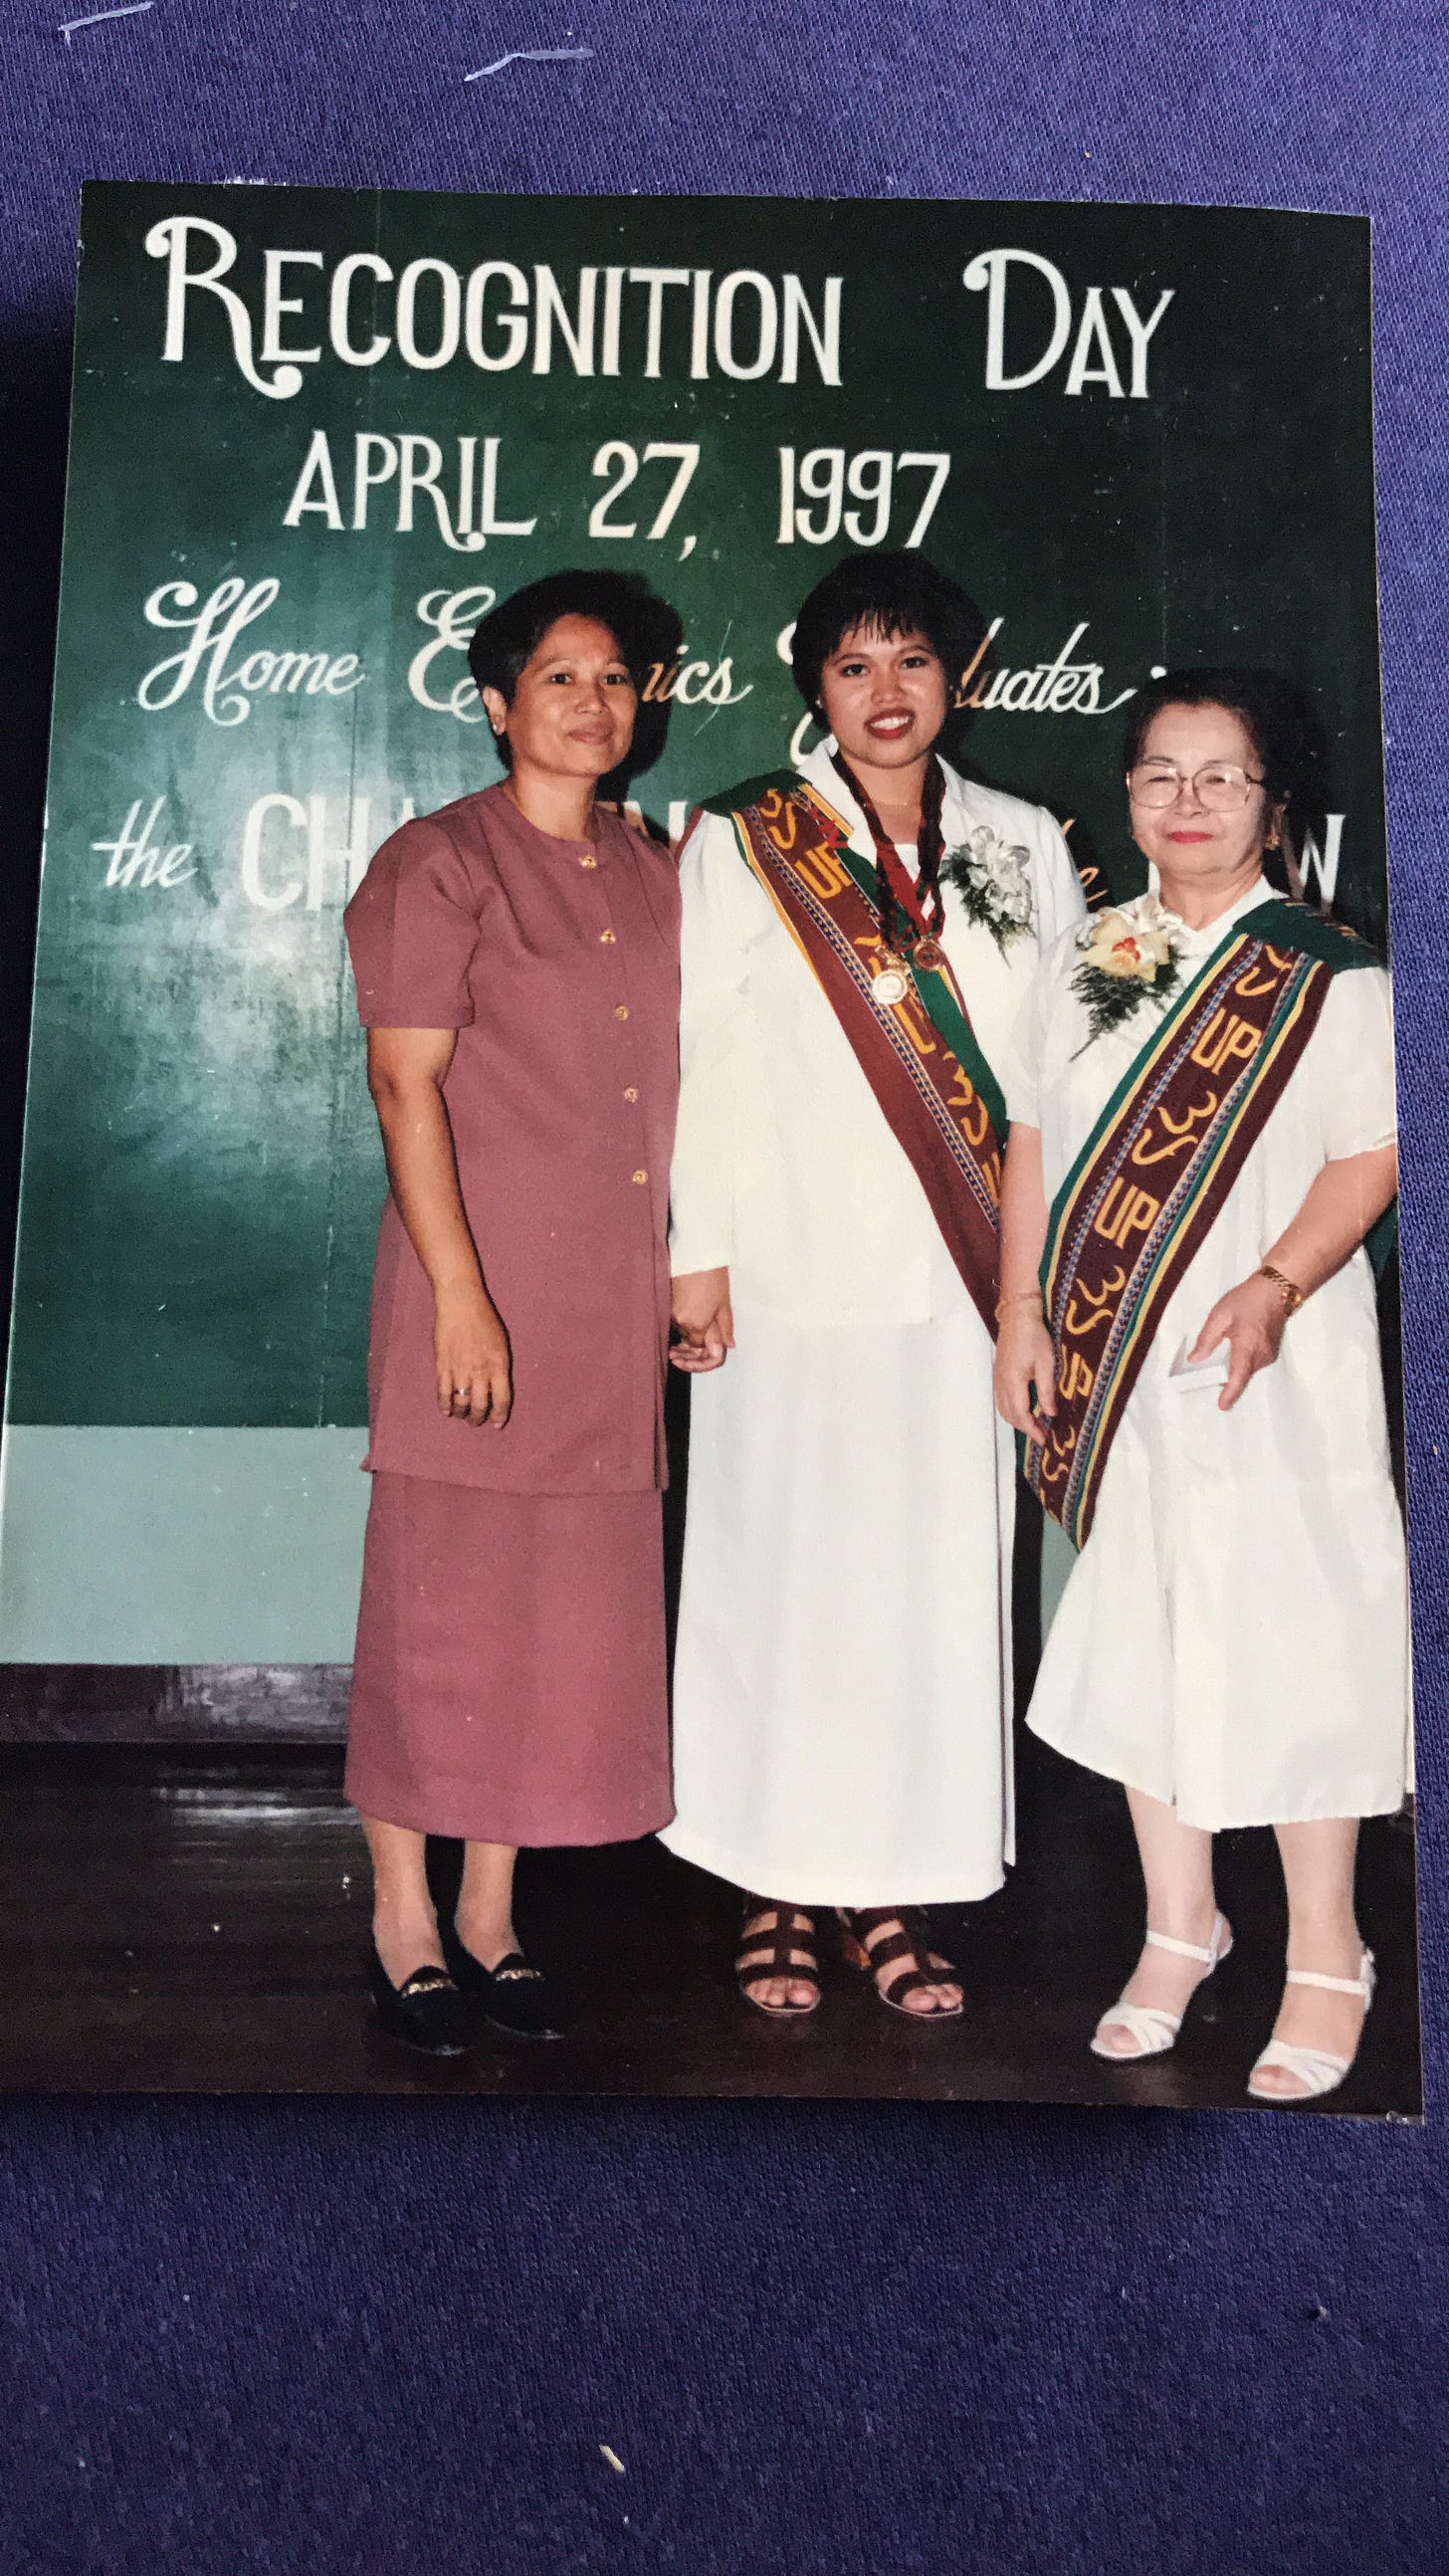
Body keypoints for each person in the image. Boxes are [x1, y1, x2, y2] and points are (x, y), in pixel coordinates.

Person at [665, 550, 1087, 2019]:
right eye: (855, 667)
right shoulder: (743, 840)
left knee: (928, 1591)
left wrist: (1030, 1290)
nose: (885, 693)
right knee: (776, 1578)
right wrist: (696, 1252)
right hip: (784, 1278)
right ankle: (771, 1883)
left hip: (962, 1284)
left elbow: (1050, 1077)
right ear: (816, 686)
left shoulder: (1027, 840)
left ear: (955, 676)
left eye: (912, 662)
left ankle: (892, 1892)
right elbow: (700, 1058)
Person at [993, 667, 1408, 2104]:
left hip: (1272, 1359)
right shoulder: (1082, 953)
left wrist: (1278, 1281)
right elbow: (1033, 1143)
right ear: (1127, 794)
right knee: (1142, 1637)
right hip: (1120, 1363)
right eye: (1160, 774)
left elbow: (1373, 1154)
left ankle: (1328, 1953)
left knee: (1300, 1641)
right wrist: (1023, 1310)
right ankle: (1181, 1928)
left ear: (1272, 801)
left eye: (1219, 777)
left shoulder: (1328, 971)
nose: (1186, 803)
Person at [341, 569, 681, 2052]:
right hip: (471, 1287)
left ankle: (494, 1914)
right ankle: (403, 1916)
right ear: (496, 705)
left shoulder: (656, 864)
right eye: (559, 677)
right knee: (443, 1605)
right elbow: (402, 1083)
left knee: (559, 1613)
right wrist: (461, 1302)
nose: (592, 702)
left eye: (615, 678)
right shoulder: (438, 863)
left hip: (606, 1306)